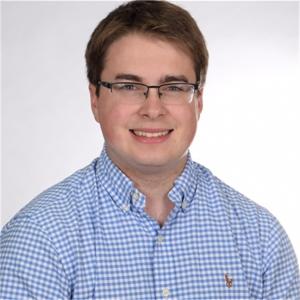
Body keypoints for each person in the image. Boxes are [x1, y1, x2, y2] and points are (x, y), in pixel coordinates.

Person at [1, 1, 299, 299]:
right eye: (129, 86)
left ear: (199, 101)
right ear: (95, 98)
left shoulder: (261, 238)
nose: (153, 109)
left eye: (173, 87)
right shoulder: (37, 239)